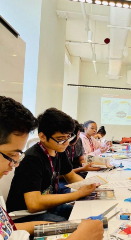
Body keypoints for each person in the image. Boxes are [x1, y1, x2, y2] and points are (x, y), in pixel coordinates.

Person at [0, 96, 103, 239]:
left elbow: (71, 176)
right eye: (61, 139)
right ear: (42, 136)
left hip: (45, 208)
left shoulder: (58, 150)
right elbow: (34, 204)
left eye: (68, 137)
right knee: (75, 226)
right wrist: (77, 194)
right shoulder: (32, 158)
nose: (66, 143)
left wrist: (88, 186)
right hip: (27, 214)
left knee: (89, 218)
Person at [58, 120, 101, 194]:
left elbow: (81, 159)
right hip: (64, 178)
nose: (69, 139)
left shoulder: (79, 141)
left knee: (95, 185)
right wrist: (83, 169)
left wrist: (86, 166)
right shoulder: (60, 147)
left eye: (77, 134)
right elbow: (60, 175)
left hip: (74, 172)